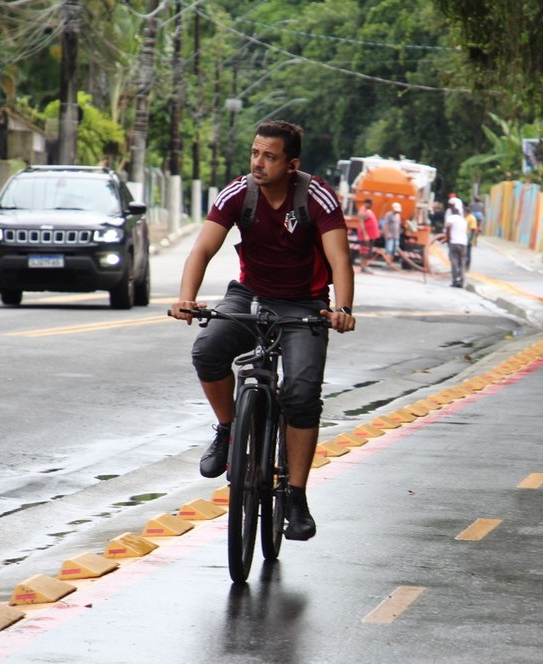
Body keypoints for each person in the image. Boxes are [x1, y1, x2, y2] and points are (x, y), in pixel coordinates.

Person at [169, 120, 356, 542]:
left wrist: (342, 308)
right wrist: (186, 297)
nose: (258, 162)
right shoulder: (239, 193)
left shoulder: (317, 196)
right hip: (249, 295)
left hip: (305, 305)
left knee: (302, 394)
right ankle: (228, 429)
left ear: (292, 164)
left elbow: (340, 260)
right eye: (255, 153)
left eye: (269, 156)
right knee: (208, 351)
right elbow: (202, 248)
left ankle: (295, 496)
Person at [359, 198, 398, 272]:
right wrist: (365, 235)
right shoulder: (362, 211)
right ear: (367, 203)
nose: (371, 206)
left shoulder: (368, 211)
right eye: (371, 205)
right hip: (366, 236)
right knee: (365, 251)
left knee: (368, 252)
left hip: (370, 236)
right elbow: (361, 223)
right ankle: (364, 266)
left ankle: (365, 266)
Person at [439, 200, 468, 287]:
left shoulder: (451, 218)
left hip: (454, 242)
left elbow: (448, 226)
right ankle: (461, 281)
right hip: (463, 243)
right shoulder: (463, 220)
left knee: (454, 262)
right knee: (462, 263)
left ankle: (455, 280)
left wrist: (447, 237)